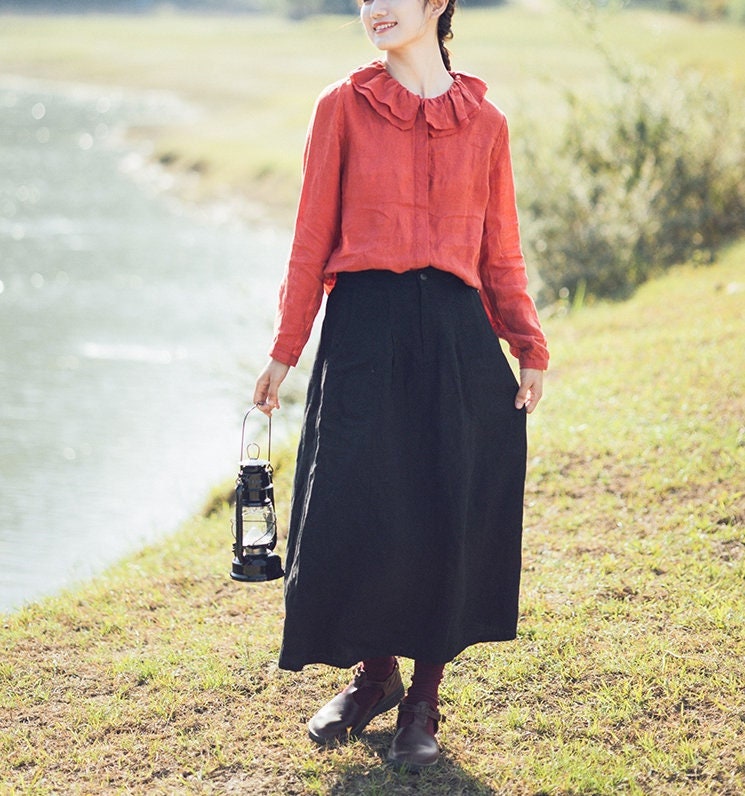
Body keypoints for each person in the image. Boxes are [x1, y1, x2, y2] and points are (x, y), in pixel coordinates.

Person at [253, 0, 548, 771]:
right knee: (361, 503)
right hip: (363, 329)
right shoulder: (341, 107)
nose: (375, 8)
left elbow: (499, 247)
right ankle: (374, 676)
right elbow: (310, 239)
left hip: (454, 335)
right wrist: (284, 350)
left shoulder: (485, 123)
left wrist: (527, 341)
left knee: (443, 507)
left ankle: (423, 699)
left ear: (437, 2)